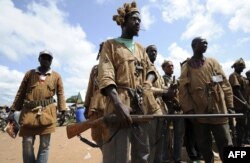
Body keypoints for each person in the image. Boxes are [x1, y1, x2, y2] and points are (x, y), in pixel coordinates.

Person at [97, 2, 157, 163]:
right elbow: (106, 75)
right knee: (118, 155)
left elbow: (151, 70)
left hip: (141, 106)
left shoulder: (141, 48)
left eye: (140, 20)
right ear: (123, 21)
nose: (138, 22)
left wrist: (147, 84)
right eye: (134, 19)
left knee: (142, 154)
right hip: (119, 107)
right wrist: (118, 104)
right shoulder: (110, 45)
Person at [179, 37, 234, 163]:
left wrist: (230, 106)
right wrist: (189, 110)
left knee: (226, 142)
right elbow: (183, 90)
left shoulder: (213, 62)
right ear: (194, 45)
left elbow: (225, 84)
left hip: (219, 110)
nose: (206, 44)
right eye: (202, 42)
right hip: (199, 113)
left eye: (206, 42)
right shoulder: (186, 66)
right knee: (204, 144)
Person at [8, 50, 66, 163]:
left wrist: (63, 111)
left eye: (49, 58)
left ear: (51, 61)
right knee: (27, 143)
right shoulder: (29, 74)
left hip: (47, 114)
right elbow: (21, 92)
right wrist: (13, 109)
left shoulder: (56, 76)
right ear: (39, 59)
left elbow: (60, 94)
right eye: (43, 57)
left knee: (44, 145)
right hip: (28, 114)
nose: (46, 60)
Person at [145, 45, 168, 163]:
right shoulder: (144, 67)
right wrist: (164, 91)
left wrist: (170, 89)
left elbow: (161, 86)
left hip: (161, 109)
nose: (154, 53)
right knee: (150, 141)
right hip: (149, 109)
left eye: (156, 51)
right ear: (146, 52)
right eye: (151, 51)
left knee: (160, 140)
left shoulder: (156, 70)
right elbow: (147, 88)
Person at [161, 60, 185, 163]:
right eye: (168, 66)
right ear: (164, 68)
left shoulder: (176, 80)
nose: (171, 67)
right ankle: (165, 158)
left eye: (172, 66)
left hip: (178, 110)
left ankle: (177, 158)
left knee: (179, 135)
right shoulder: (162, 79)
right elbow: (162, 92)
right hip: (167, 110)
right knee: (165, 135)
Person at [84, 42, 106, 147]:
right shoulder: (95, 69)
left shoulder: (116, 67)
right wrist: (86, 106)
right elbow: (89, 89)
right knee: (96, 136)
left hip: (110, 106)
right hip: (95, 108)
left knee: (110, 136)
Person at [229, 58, 250, 146]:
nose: (242, 68)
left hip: (244, 104)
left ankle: (243, 140)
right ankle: (239, 143)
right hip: (238, 104)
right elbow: (237, 91)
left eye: (243, 66)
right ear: (236, 67)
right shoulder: (234, 76)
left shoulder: (242, 77)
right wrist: (244, 103)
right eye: (241, 66)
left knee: (245, 124)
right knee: (240, 125)